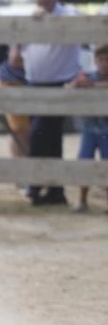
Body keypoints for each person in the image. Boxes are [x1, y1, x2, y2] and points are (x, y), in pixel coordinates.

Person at [10, 0, 81, 206]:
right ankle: (55, 190)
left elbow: (74, 24)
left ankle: (36, 184)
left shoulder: (68, 14)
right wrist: (26, 31)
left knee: (40, 134)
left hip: (59, 82)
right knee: (49, 138)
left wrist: (46, 21)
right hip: (34, 82)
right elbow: (15, 56)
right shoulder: (28, 17)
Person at [65, 44, 108, 212]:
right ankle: (82, 200)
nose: (104, 64)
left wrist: (93, 86)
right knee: (84, 162)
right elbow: (70, 87)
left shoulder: (93, 81)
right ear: (95, 61)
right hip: (89, 129)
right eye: (101, 60)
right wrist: (76, 85)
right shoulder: (87, 76)